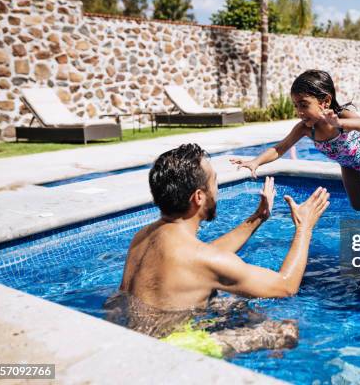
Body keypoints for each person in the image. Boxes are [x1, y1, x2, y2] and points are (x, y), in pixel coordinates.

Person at [111, 143, 330, 354]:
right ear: (198, 197)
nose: (217, 188)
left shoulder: (143, 236)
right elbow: (285, 286)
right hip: (169, 349)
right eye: (214, 181)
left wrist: (258, 218)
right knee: (286, 331)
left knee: (230, 305)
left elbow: (200, 256)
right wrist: (304, 227)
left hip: (134, 336)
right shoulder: (200, 260)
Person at [230, 69, 360, 211]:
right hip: (349, 165)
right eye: (296, 106)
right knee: (359, 207)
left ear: (325, 102)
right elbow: (280, 148)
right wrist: (255, 162)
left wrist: (341, 123)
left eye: (304, 105)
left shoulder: (341, 114)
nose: (299, 112)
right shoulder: (305, 129)